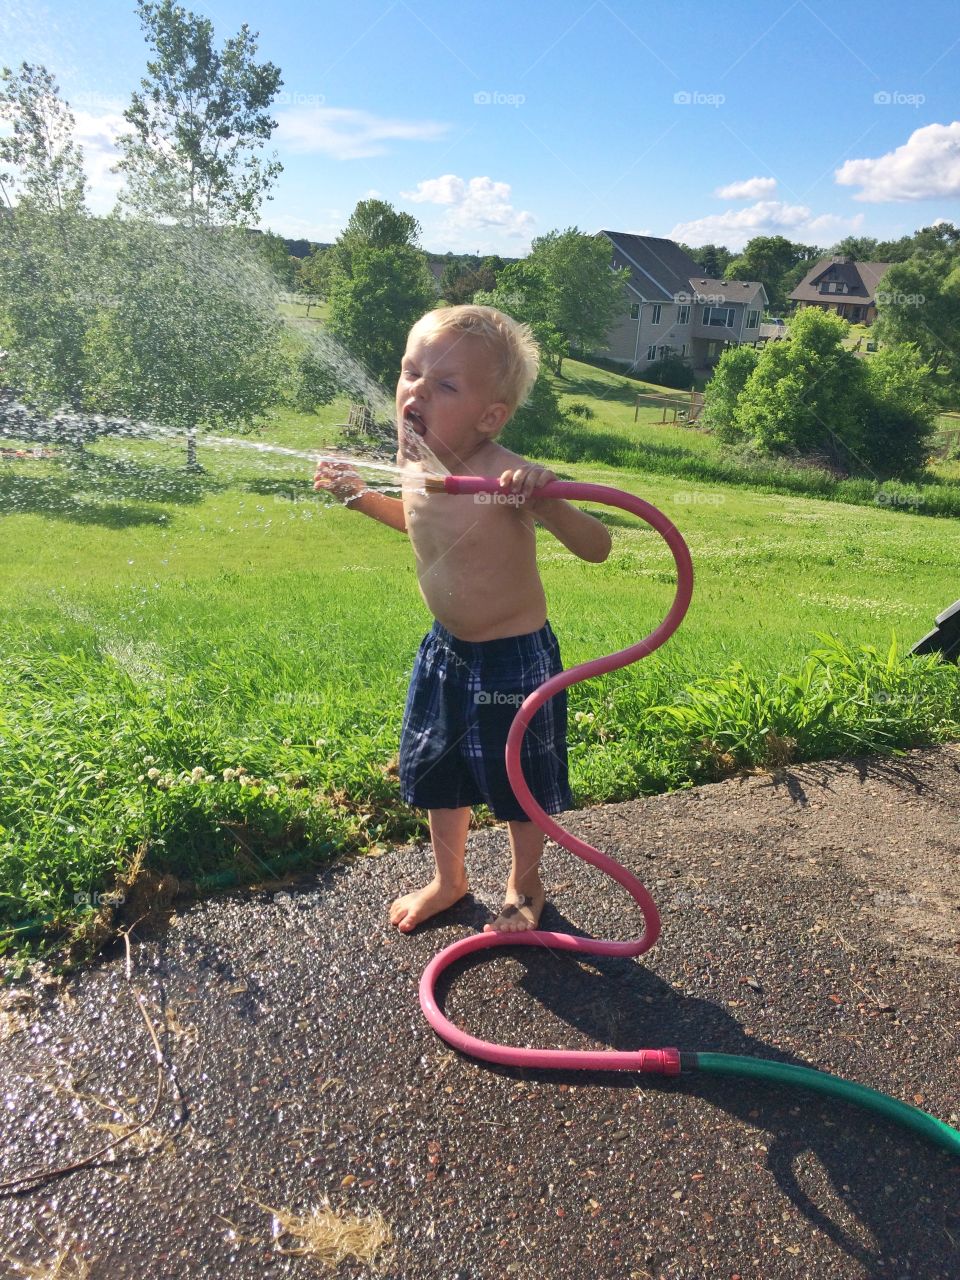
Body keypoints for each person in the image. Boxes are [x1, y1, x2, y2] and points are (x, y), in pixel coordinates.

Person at [313, 305, 611, 934]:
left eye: (444, 384)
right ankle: (450, 880)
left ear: (490, 415)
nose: (416, 390)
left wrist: (547, 499)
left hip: (512, 658)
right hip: (445, 651)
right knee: (436, 771)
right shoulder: (416, 461)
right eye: (410, 372)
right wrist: (359, 498)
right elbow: (421, 528)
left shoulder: (500, 475)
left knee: (518, 780)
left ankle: (523, 887)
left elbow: (597, 546)